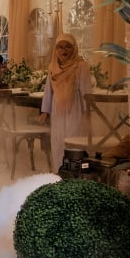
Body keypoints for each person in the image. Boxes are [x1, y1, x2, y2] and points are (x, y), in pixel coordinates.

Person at [38, 34, 91, 169]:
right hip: (57, 109)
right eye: (60, 47)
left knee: (74, 138)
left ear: (74, 48)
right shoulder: (53, 67)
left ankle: (74, 171)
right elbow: (49, 90)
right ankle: (59, 169)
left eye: (68, 46)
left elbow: (86, 91)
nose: (64, 50)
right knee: (58, 139)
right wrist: (45, 111)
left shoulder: (81, 66)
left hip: (76, 107)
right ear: (55, 50)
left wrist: (86, 112)